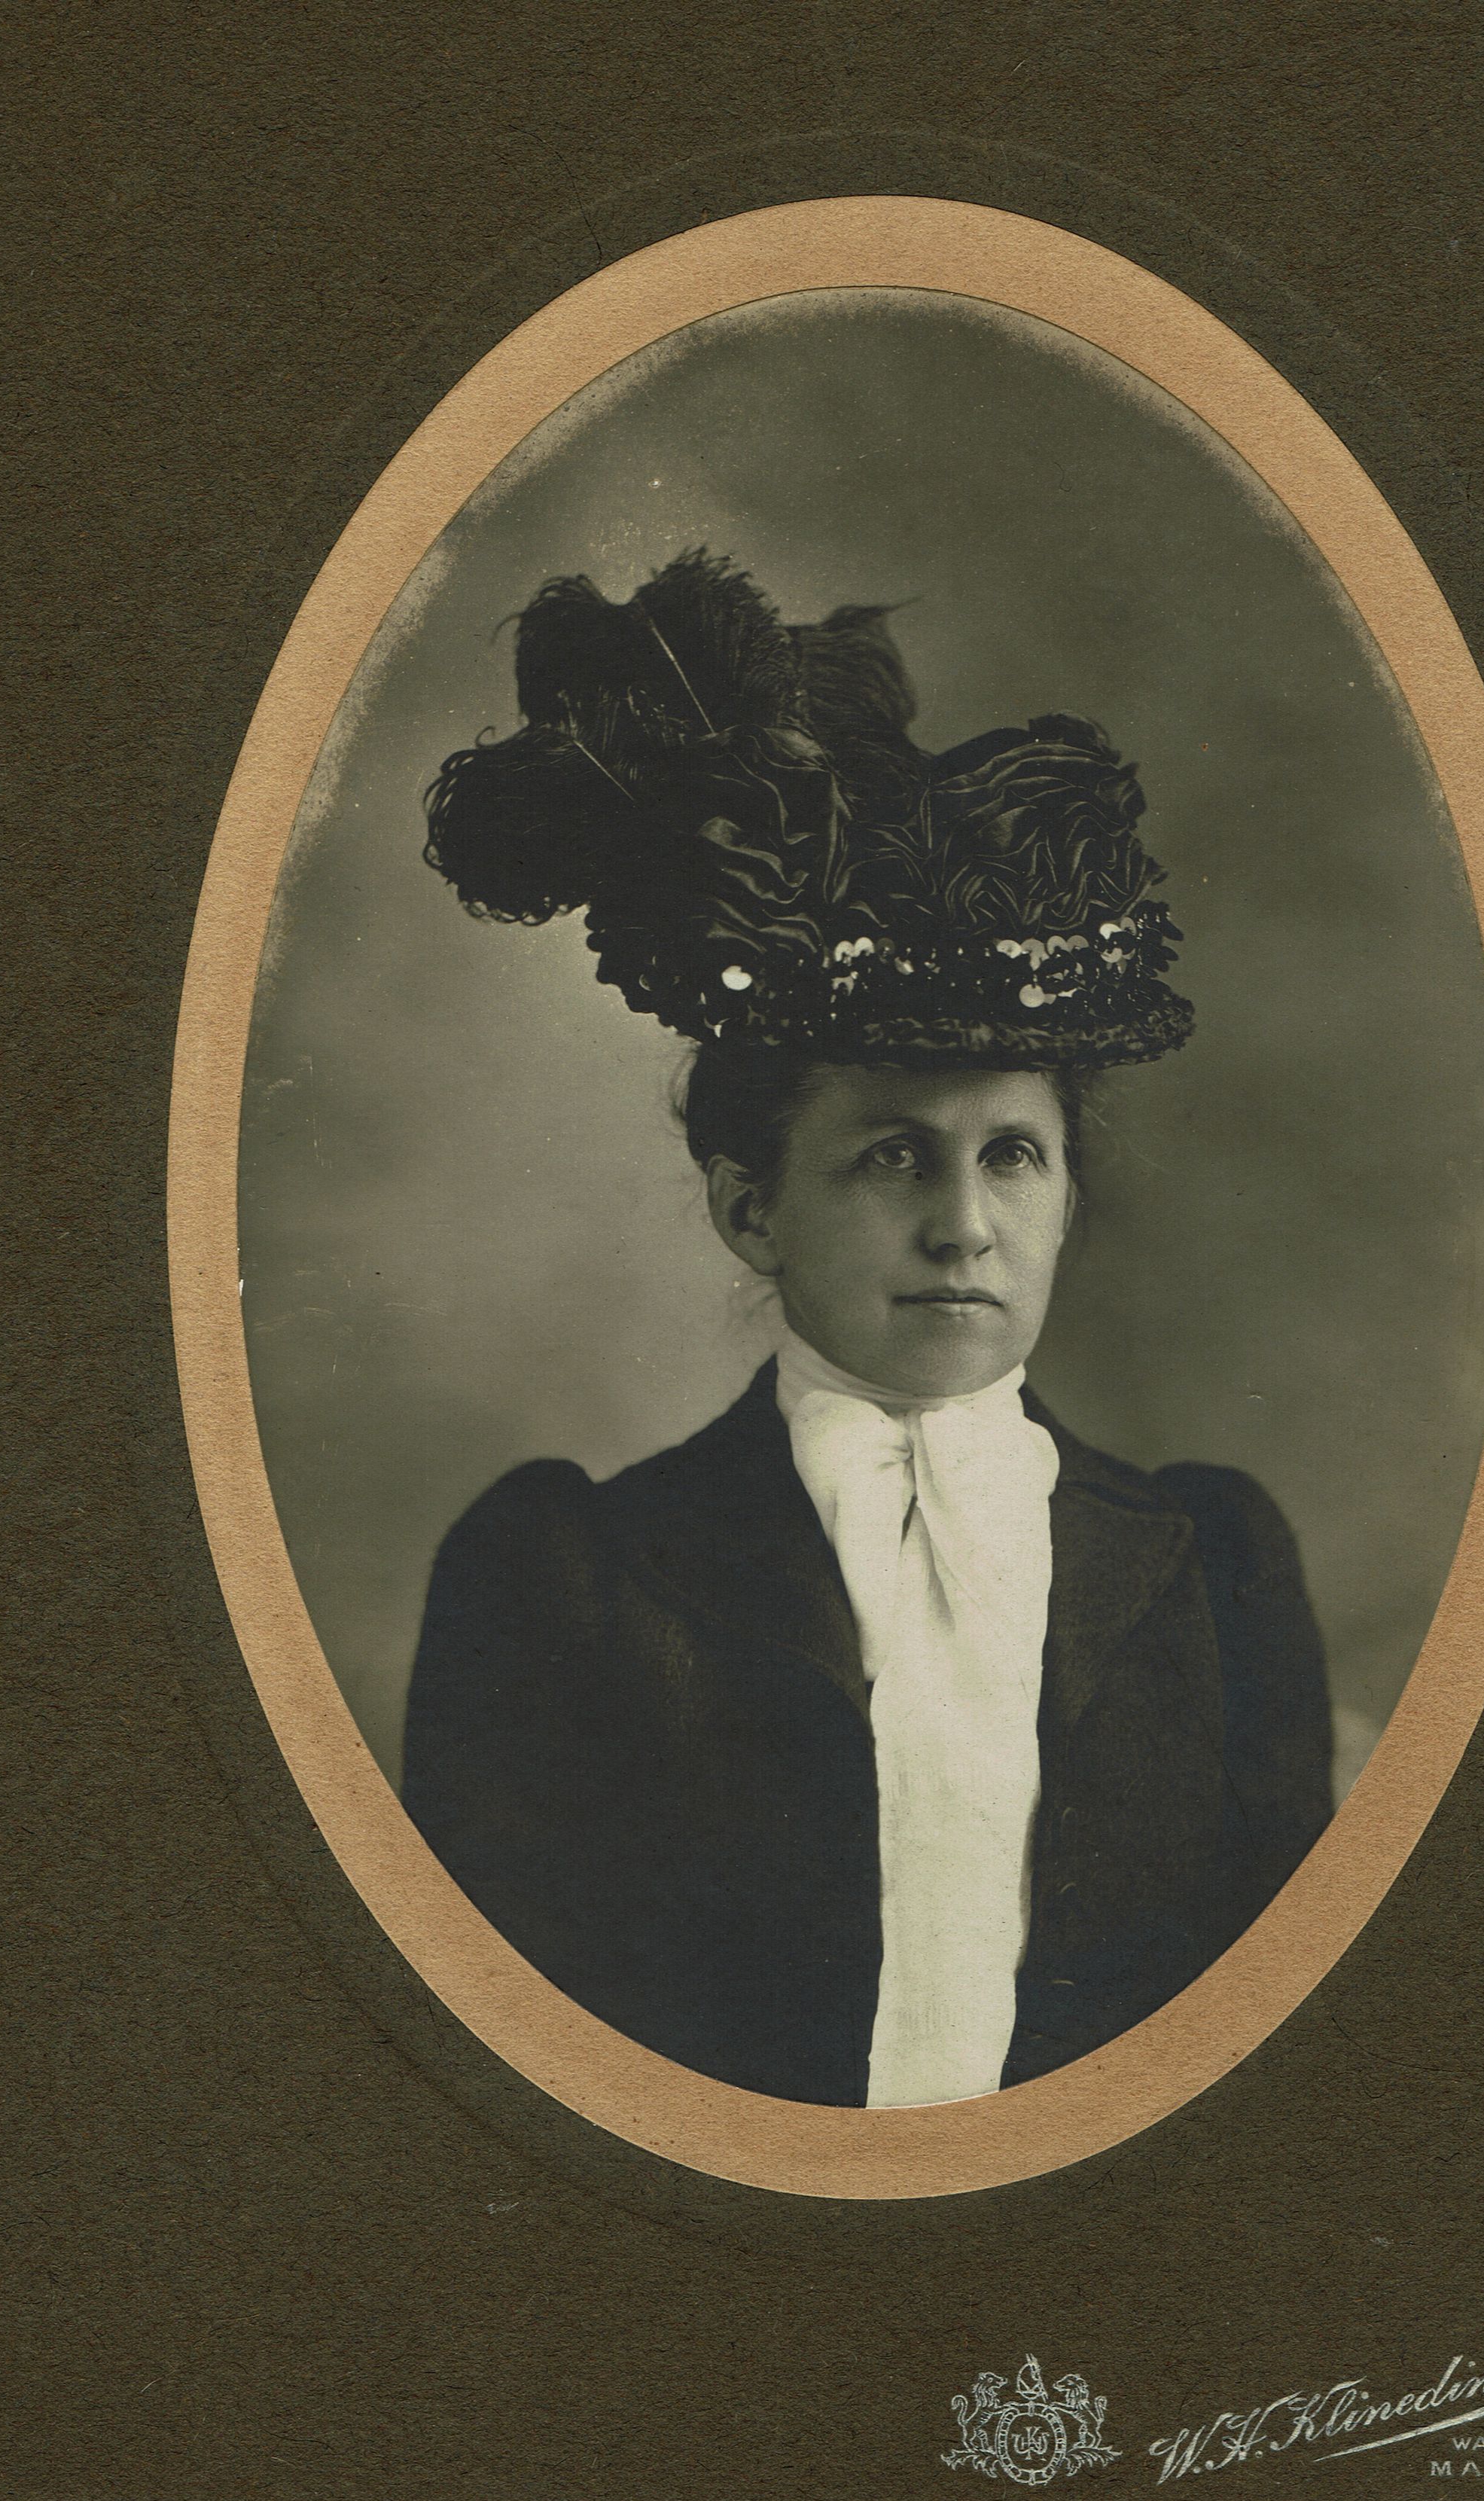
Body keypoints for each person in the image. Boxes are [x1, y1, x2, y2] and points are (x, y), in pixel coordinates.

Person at [402, 551, 1331, 2109]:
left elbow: (1278, 2060)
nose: (964, 1225)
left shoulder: (1214, 1567)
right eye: (893, 1156)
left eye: (1012, 1155)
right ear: (751, 1209)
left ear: (1067, 1194)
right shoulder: (568, 1579)